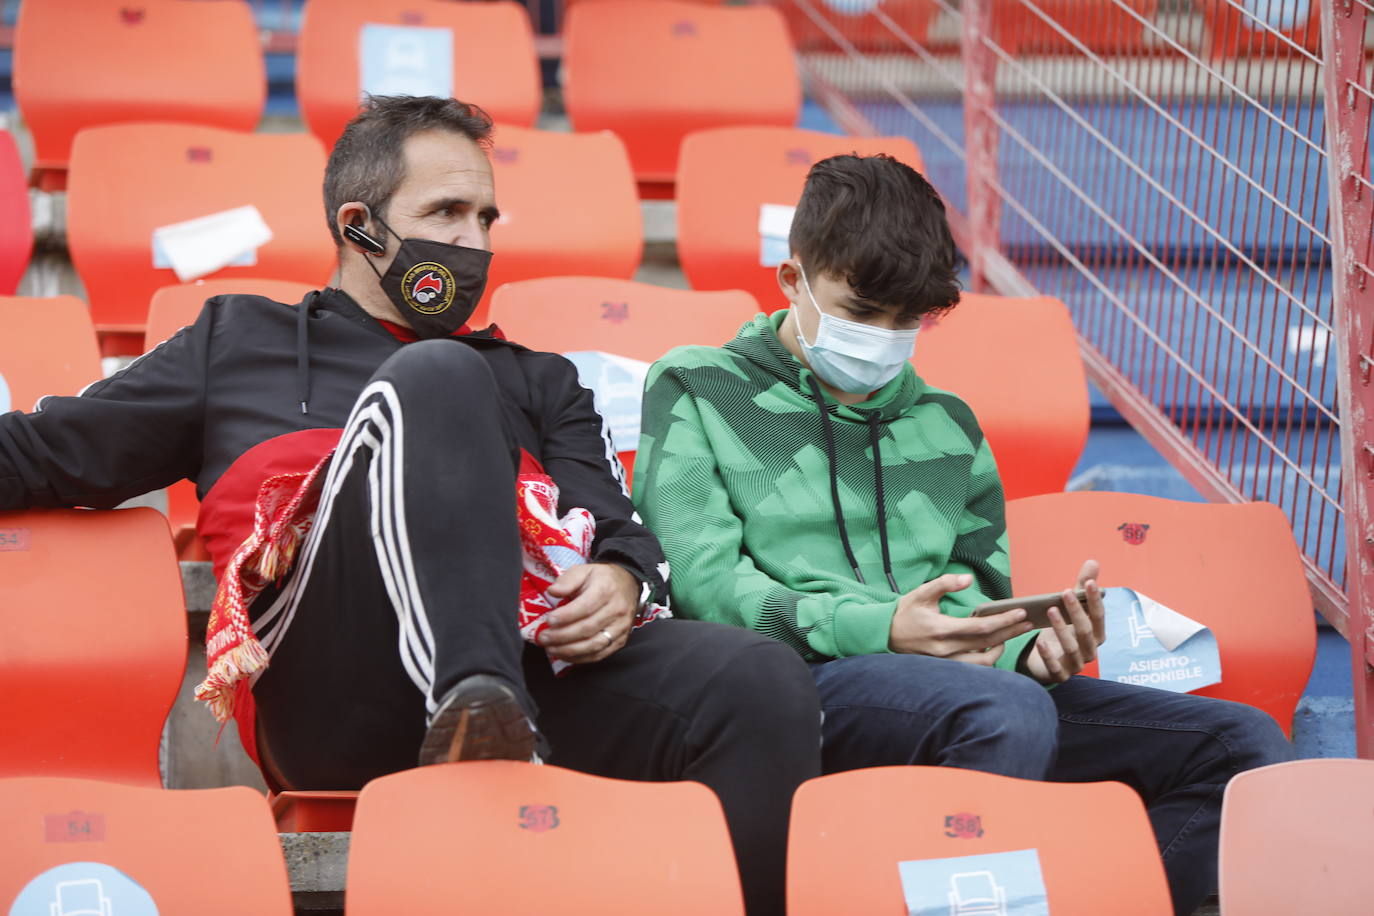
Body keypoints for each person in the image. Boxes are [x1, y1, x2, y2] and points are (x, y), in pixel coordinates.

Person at [0, 96, 821, 915]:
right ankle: (474, 701)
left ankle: (501, 722)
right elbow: (41, 453)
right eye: (446, 212)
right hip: (334, 691)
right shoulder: (237, 343)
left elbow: (620, 529)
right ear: (359, 224)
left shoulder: (538, 379)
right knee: (435, 376)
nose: (475, 241)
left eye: (486, 218)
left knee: (757, 679)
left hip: (537, 681)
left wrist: (618, 579)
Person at [633, 153, 1295, 915]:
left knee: (1242, 750)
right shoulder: (697, 385)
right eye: (860, 311)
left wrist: (1028, 647)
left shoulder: (947, 424)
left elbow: (977, 594)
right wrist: (882, 626)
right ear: (793, 280)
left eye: (906, 319)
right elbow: (704, 586)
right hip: (793, 685)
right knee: (1003, 713)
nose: (882, 338)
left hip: (959, 689)